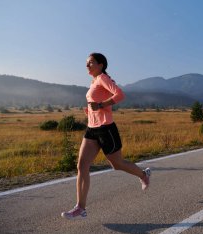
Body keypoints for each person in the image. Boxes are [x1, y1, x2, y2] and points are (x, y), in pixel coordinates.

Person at [61, 53, 151, 220]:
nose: (87, 65)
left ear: (101, 65)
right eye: (86, 63)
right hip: (91, 129)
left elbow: (119, 95)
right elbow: (96, 103)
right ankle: (80, 207)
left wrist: (101, 105)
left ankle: (143, 175)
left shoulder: (102, 78)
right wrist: (90, 111)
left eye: (91, 62)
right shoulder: (94, 81)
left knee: (117, 164)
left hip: (106, 129)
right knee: (82, 166)